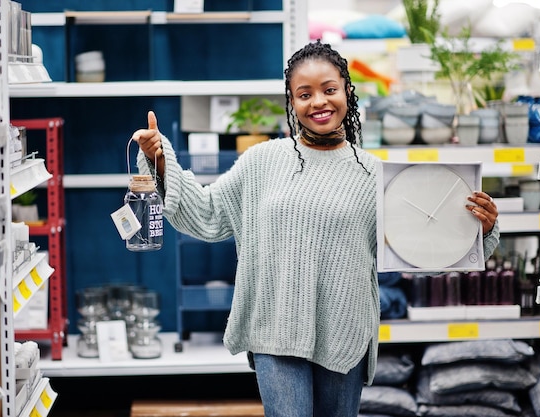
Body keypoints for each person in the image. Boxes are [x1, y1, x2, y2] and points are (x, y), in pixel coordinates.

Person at [132, 40, 500, 417]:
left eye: (329, 89)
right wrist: (161, 160)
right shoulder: (262, 160)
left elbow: (418, 251)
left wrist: (479, 230)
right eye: (304, 94)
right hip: (274, 327)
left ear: (346, 91)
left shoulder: (375, 175)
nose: (319, 102)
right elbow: (207, 214)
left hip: (345, 331)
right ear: (292, 103)